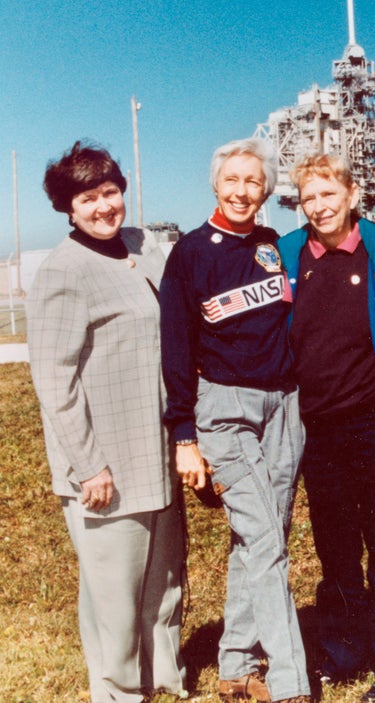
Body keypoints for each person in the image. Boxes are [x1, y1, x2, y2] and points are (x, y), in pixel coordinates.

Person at [27, 141, 186, 703]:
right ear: (68, 208)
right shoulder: (63, 271)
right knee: (114, 591)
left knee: (165, 582)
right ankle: (118, 691)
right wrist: (88, 465)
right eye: (88, 198)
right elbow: (54, 380)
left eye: (110, 192)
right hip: (106, 461)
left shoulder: (143, 246)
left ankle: (163, 678)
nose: (103, 207)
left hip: (158, 449)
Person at [160, 138, 310, 703]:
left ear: (267, 190)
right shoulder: (191, 253)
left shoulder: (273, 245)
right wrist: (184, 435)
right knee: (265, 539)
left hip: (284, 406)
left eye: (253, 181)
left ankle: (235, 667)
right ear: (215, 184)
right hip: (224, 409)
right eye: (233, 180)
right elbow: (176, 349)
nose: (242, 191)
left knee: (262, 536)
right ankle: (292, 681)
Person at [277, 154, 375, 702]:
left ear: (353, 194)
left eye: (328, 194)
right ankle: (342, 651)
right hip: (318, 429)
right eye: (309, 197)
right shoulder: (288, 256)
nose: (319, 206)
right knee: (335, 548)